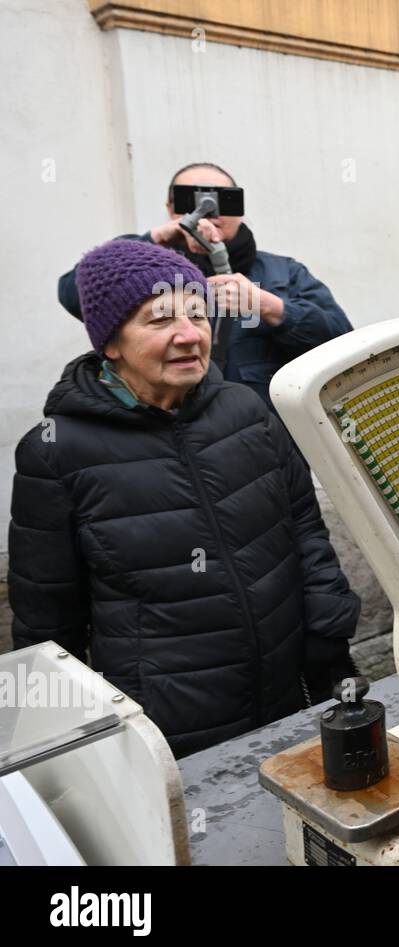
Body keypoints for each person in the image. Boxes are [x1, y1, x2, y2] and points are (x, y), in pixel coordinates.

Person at [11, 240, 360, 758]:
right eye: (159, 320)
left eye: (197, 314)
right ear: (109, 342)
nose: (188, 335)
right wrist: (67, 743)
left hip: (292, 692)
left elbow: (304, 529)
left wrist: (328, 636)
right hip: (171, 726)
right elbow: (47, 620)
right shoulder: (57, 451)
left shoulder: (247, 412)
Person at [56, 162, 353, 408]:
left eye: (224, 199)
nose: (208, 209)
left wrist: (272, 308)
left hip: (267, 441)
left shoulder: (283, 271)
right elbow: (74, 293)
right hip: (168, 440)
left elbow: (344, 344)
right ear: (171, 208)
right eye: (191, 199)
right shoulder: (143, 272)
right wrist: (154, 239)